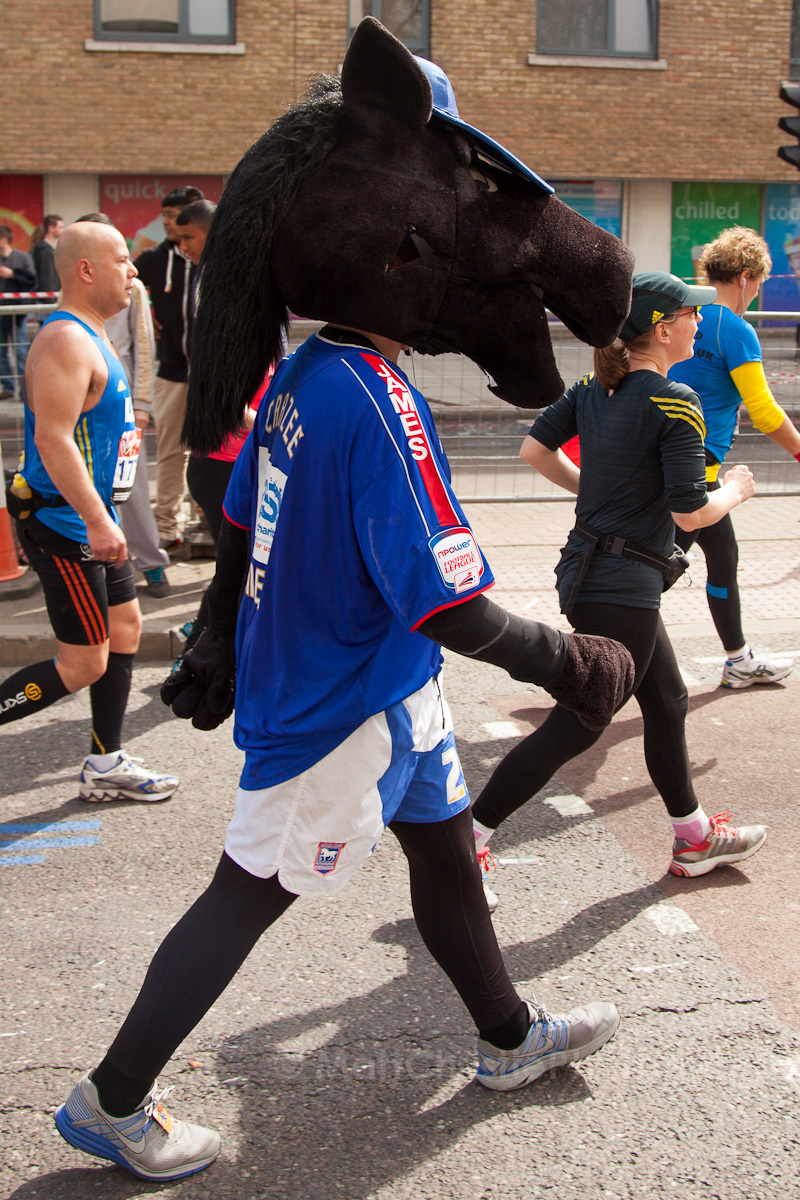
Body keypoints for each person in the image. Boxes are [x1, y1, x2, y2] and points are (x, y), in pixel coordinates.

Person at [52, 23, 637, 1183]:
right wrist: (569, 661)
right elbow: (447, 604)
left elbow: (247, 523)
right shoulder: (373, 398)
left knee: (444, 855)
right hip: (338, 704)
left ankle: (505, 1037)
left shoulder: (304, 374)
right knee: (248, 891)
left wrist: (223, 631)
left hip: (381, 685)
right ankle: (110, 1101)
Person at [470, 271, 768, 889]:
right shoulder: (675, 400)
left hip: (593, 573)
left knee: (668, 699)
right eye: (690, 314)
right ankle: (466, 842)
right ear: (662, 330)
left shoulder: (593, 387)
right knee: (580, 722)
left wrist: (596, 492)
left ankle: (694, 837)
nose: (699, 321)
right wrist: (735, 490)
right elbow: (691, 512)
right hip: (620, 587)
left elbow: (533, 451)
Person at [0, 220, 179, 802]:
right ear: (86, 270)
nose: (133, 270)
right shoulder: (66, 340)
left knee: (125, 629)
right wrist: (100, 522)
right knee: (82, 664)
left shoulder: (95, 333)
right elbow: (51, 439)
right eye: (123, 259)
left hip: (96, 520)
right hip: (65, 522)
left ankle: (105, 763)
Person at [670, 227, 797, 688]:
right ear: (745, 277)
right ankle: (586, 660)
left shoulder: (683, 316)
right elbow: (764, 411)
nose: (756, 293)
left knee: (722, 557)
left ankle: (738, 658)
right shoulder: (736, 330)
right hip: (693, 474)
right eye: (758, 283)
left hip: (670, 462)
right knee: (651, 577)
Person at [134, 186, 204, 551]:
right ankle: (167, 526)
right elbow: (126, 287)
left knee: (210, 450)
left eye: (173, 214)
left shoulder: (212, 258)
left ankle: (208, 518)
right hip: (171, 372)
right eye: (163, 215)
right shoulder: (152, 259)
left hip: (208, 375)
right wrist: (146, 314)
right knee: (170, 453)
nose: (167, 221)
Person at [0, 223, 35, 400]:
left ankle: (25, 389)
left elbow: (32, 281)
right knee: (1, 351)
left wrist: (12, 274)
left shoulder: (21, 258)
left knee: (21, 350)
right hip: (2, 312)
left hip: (17, 313)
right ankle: (8, 387)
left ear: (3, 240)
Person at [32, 213, 63, 293]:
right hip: (49, 296)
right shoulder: (46, 251)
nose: (62, 230)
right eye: (60, 227)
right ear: (51, 228)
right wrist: (50, 298)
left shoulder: (50, 249)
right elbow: (47, 278)